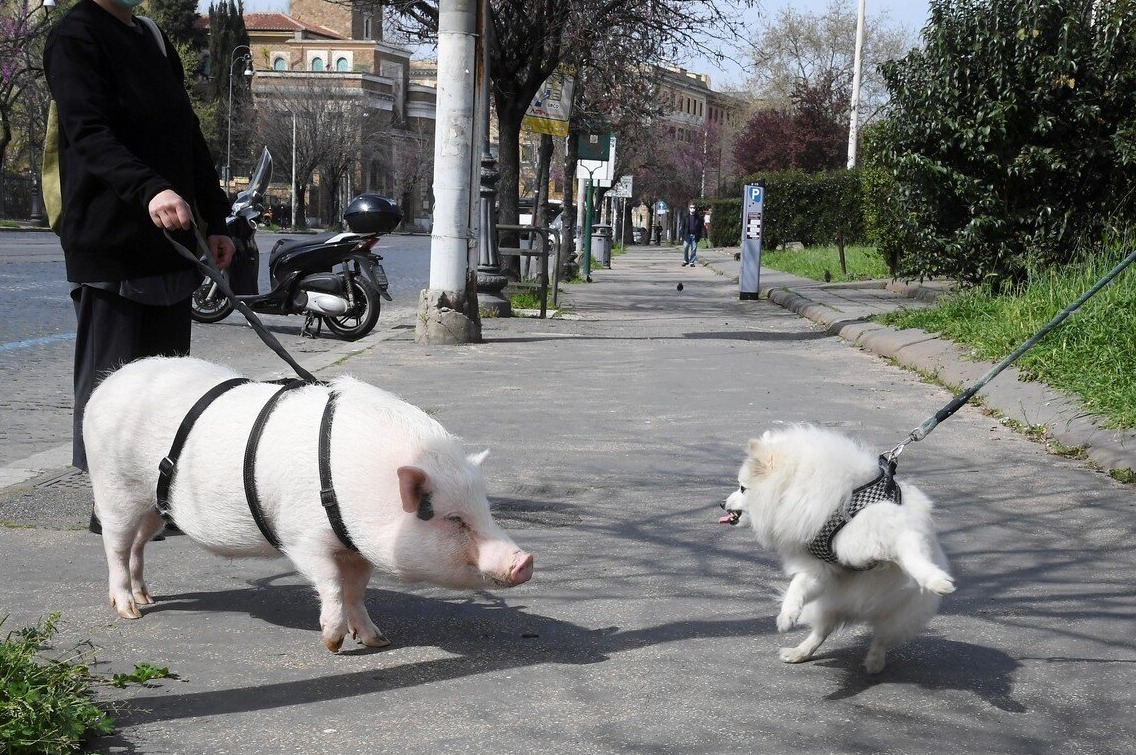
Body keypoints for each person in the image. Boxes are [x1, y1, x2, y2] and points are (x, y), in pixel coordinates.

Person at [43, 0, 235, 532]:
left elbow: (187, 134)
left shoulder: (151, 36)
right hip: (109, 236)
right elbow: (89, 135)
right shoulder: (75, 36)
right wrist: (149, 188)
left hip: (169, 239)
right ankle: (109, 503)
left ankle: (158, 494)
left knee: (169, 381)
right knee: (113, 383)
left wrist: (216, 218)